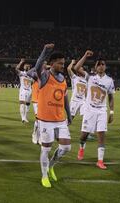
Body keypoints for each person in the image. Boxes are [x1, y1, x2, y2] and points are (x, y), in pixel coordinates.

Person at [35, 44, 72, 188]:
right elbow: (38, 65)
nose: (63, 66)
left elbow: (65, 98)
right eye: (60, 63)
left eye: (64, 63)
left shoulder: (63, 78)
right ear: (52, 63)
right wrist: (45, 50)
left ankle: (51, 166)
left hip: (60, 119)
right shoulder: (44, 76)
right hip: (45, 120)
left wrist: (68, 115)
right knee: (46, 149)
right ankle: (44, 176)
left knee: (66, 147)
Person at [74, 50, 115, 170]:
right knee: (84, 135)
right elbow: (76, 68)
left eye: (103, 64)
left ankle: (100, 161)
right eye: (99, 64)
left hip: (102, 110)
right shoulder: (90, 78)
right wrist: (85, 56)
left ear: (105, 66)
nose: (101, 66)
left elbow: (111, 97)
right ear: (95, 67)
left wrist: (111, 112)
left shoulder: (109, 80)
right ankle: (81, 148)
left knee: (101, 135)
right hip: (90, 110)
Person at [15, 59, 33, 123]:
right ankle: (22, 118)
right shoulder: (22, 73)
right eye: (25, 66)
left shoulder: (31, 75)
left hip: (30, 90)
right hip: (23, 90)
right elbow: (16, 69)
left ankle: (25, 117)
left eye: (28, 66)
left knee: (28, 104)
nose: (26, 67)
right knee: (22, 103)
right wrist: (21, 62)